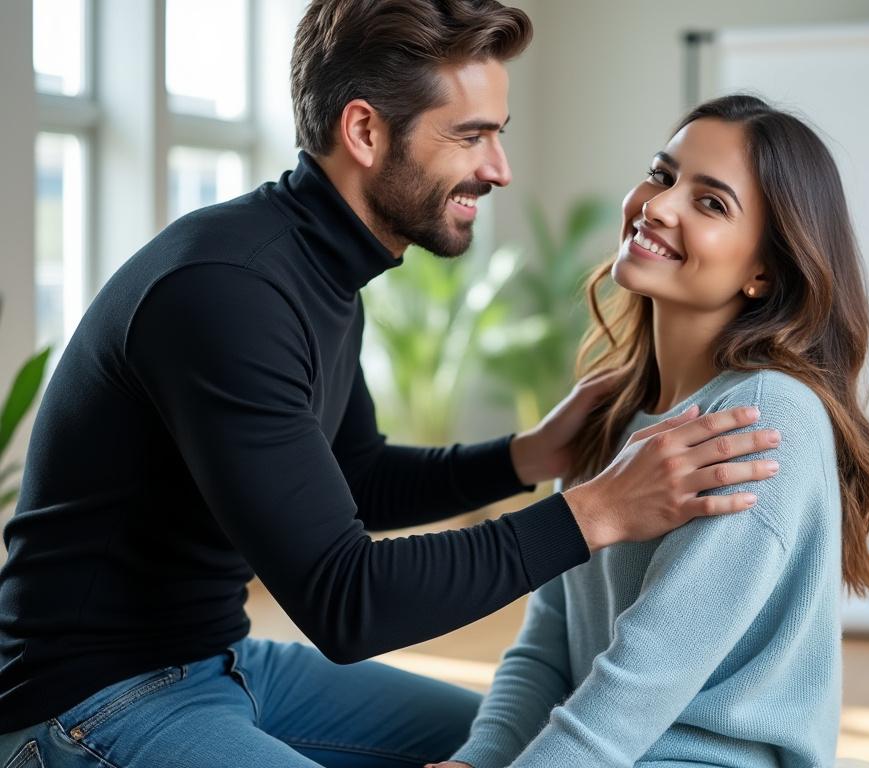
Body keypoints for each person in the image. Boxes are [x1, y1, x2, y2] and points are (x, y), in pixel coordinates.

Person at [0, 3, 780, 767]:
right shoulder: (231, 292)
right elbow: (347, 603)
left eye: (497, 136)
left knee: (524, 741)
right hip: (89, 700)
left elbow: (352, 480)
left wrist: (527, 456)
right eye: (471, 137)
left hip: (217, 660)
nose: (498, 169)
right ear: (366, 131)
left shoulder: (319, 271)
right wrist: (598, 511)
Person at [434, 94, 869, 768]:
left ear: (763, 270)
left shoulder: (764, 415)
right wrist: (476, 761)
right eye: (662, 173)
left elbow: (638, 683)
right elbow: (547, 648)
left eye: (711, 203)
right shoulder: (612, 414)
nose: (659, 204)